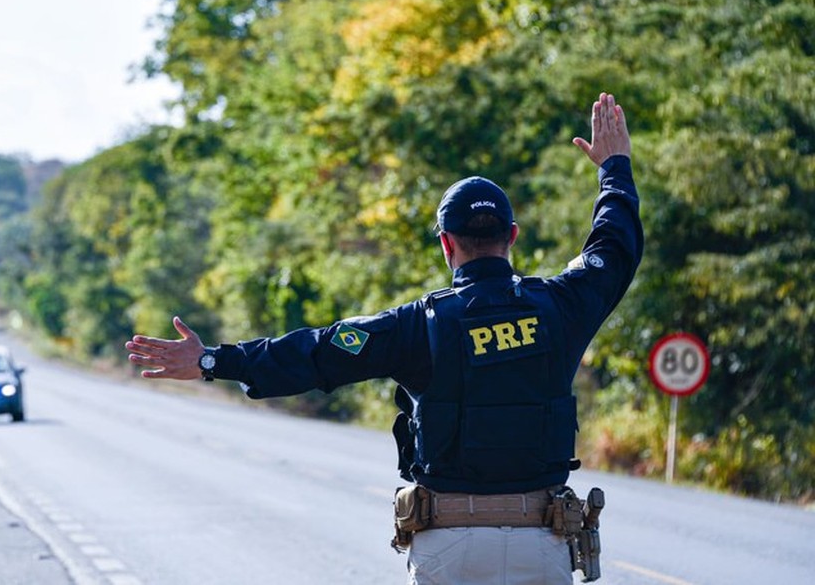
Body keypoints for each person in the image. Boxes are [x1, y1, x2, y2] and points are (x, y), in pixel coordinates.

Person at [126, 92, 643, 584]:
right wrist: (613, 169)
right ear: (511, 235)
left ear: (446, 244)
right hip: (541, 544)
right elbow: (614, 247)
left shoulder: (418, 324)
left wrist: (213, 361)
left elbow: (315, 352)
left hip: (450, 546)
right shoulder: (560, 307)